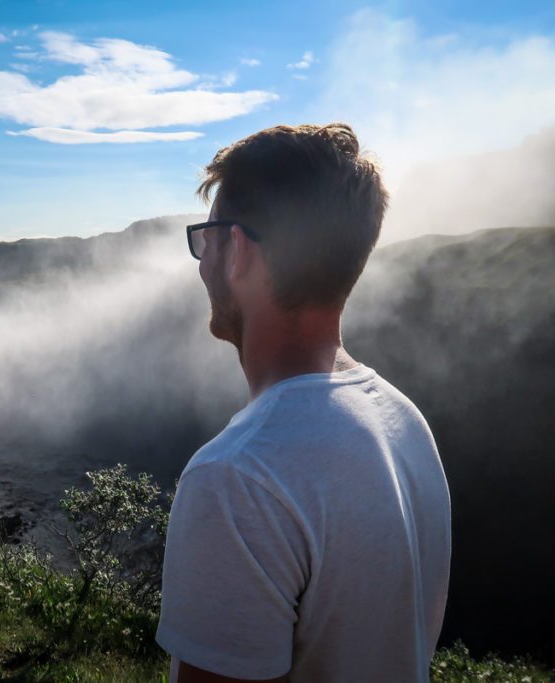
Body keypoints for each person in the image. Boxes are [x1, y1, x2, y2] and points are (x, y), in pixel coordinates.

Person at [156, 123, 451, 683]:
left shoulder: (237, 477)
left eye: (206, 239)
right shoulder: (405, 421)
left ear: (237, 250)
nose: (200, 261)